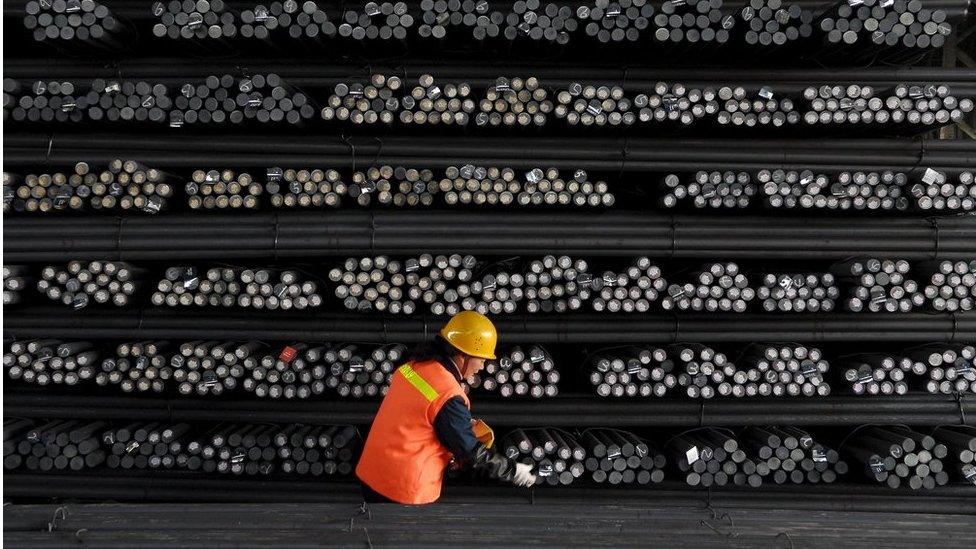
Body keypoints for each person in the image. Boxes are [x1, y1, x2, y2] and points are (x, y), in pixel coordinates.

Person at [356, 311, 537, 504]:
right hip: (401, 489)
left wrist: (456, 426)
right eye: (482, 359)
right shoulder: (448, 394)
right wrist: (513, 470)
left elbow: (416, 417)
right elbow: (471, 453)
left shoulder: (413, 367)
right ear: (463, 355)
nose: (483, 367)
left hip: (372, 475)